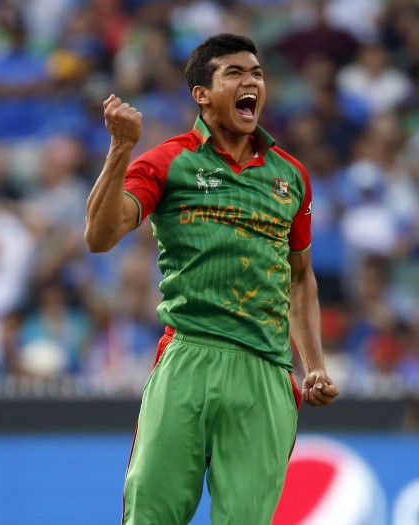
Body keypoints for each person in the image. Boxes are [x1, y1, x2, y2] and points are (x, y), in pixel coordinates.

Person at [84, 34, 340, 524]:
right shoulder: (168, 160)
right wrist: (120, 148)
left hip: (266, 372)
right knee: (151, 513)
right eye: (235, 73)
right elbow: (99, 236)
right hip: (189, 356)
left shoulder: (292, 175)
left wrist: (313, 365)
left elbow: (300, 275)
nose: (252, 82)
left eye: (258, 73)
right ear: (201, 93)